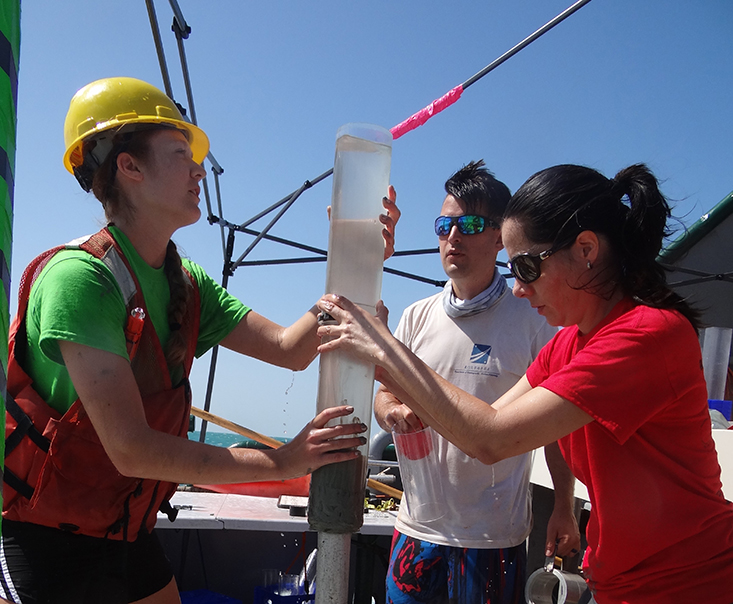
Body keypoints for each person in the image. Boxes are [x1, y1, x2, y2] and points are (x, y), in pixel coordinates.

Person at [0, 76, 399, 604]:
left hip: (127, 534)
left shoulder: (185, 281)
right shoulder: (80, 279)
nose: (199, 169)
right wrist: (281, 464)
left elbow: (290, 349)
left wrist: (357, 260)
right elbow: (132, 450)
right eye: (180, 153)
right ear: (129, 167)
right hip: (43, 542)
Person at [316, 163, 733, 604]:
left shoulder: (646, 335)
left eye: (528, 267)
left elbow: (492, 439)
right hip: (620, 583)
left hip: (690, 583)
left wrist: (385, 350)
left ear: (586, 249)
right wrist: (385, 361)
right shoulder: (568, 344)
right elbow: (489, 422)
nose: (517, 288)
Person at [373, 161, 578, 603]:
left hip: (492, 536)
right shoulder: (415, 317)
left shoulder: (532, 320)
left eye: (469, 224)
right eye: (444, 225)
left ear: (500, 236)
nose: (453, 237)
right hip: (416, 527)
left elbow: (556, 431)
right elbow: (384, 392)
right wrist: (391, 413)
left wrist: (564, 505)